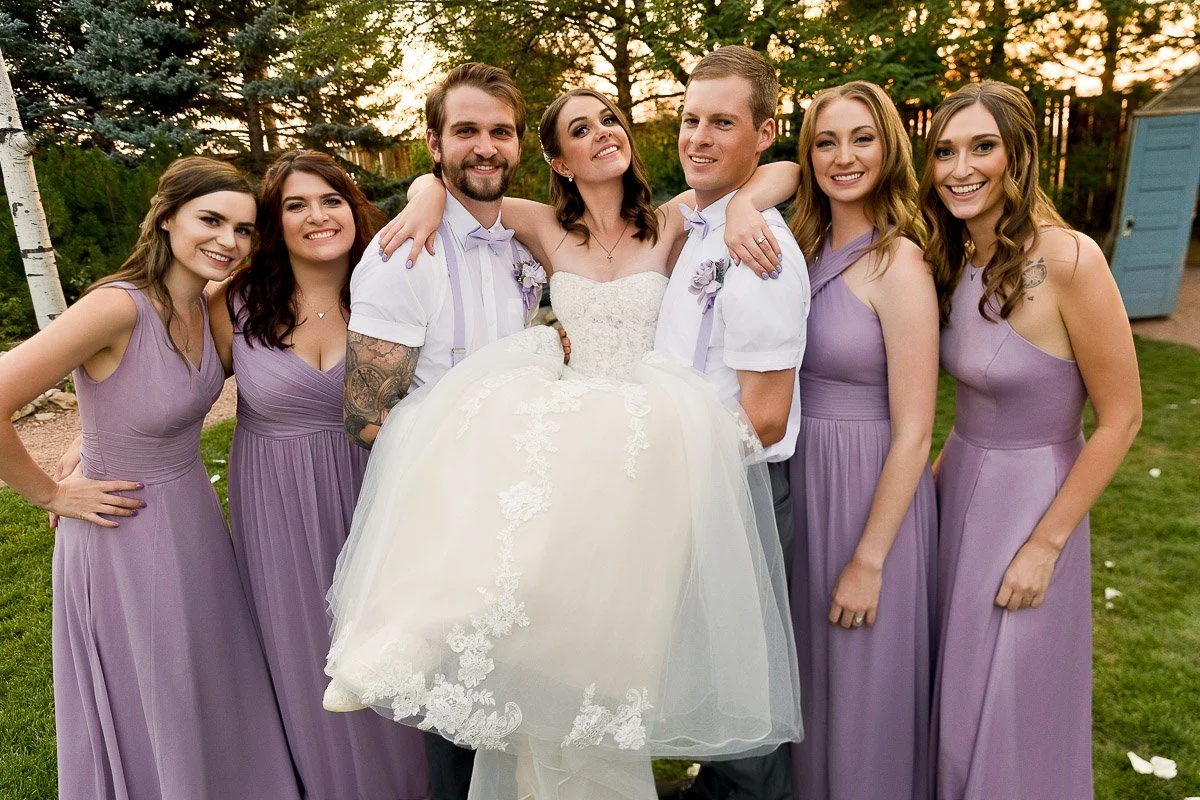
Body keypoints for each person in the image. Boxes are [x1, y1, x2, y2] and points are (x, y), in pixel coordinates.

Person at [322, 78, 802, 799]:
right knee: (514, 549)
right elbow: (458, 192)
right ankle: (400, 642)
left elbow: (783, 168)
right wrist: (422, 191)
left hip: (645, 435)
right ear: (557, 160)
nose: (602, 131)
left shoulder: (671, 222)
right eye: (580, 129)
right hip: (579, 420)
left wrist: (743, 204)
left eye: (609, 119)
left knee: (599, 634)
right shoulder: (542, 225)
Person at [0, 157, 300, 799]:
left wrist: (87, 434)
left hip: (193, 516)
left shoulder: (208, 303)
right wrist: (50, 493)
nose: (228, 240)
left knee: (209, 676)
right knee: (158, 688)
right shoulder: (116, 307)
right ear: (166, 219)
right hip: (123, 529)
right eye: (210, 220)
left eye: (244, 229)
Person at [921, 80, 1141, 800]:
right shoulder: (958, 259)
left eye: (982, 147)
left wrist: (1046, 545)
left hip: (1033, 503)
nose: (960, 168)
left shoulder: (1071, 259)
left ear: (1018, 155)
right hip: (960, 488)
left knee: (1012, 699)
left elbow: (1123, 418)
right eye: (945, 152)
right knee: (956, 704)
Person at [328, 62, 540, 800]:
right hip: (446, 511)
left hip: (531, 502)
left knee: (524, 690)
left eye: (500, 132)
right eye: (466, 131)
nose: (485, 147)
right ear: (433, 142)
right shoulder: (403, 257)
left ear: (519, 144)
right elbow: (364, 415)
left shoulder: (524, 242)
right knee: (458, 705)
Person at [725, 79, 939, 800]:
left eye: (862, 139)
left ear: (889, 148)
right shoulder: (797, 244)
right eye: (826, 141)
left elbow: (916, 430)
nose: (843, 157)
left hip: (869, 493)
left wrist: (870, 560)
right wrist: (746, 202)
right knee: (803, 681)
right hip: (799, 480)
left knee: (859, 690)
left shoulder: (900, 263)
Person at [206, 150, 430, 798]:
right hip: (277, 508)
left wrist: (428, 191)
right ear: (274, 222)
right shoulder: (235, 302)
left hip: (379, 497)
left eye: (331, 200)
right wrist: (90, 441)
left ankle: (417, 783)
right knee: (305, 651)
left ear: (353, 210)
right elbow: (174, 389)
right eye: (295, 205)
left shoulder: (394, 287)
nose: (317, 216)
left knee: (395, 644)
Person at [651, 45, 811, 800]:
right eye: (691, 120)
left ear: (764, 133)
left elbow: (766, 417)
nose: (699, 138)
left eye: (723, 122)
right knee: (712, 678)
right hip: (696, 484)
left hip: (735, 491)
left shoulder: (758, 249)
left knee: (742, 690)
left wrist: (676, 480)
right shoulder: (703, 225)